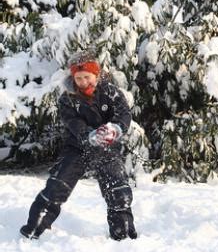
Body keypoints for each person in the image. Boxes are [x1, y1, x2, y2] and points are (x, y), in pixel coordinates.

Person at [20, 51, 137, 241]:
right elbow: (72, 122)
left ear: (96, 75)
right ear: (72, 76)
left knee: (118, 191)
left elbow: (124, 114)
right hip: (77, 147)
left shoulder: (111, 92)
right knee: (56, 188)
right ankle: (32, 230)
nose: (82, 81)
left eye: (87, 77)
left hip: (106, 147)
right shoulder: (67, 98)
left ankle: (123, 235)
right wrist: (88, 135)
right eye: (78, 77)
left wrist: (114, 129)